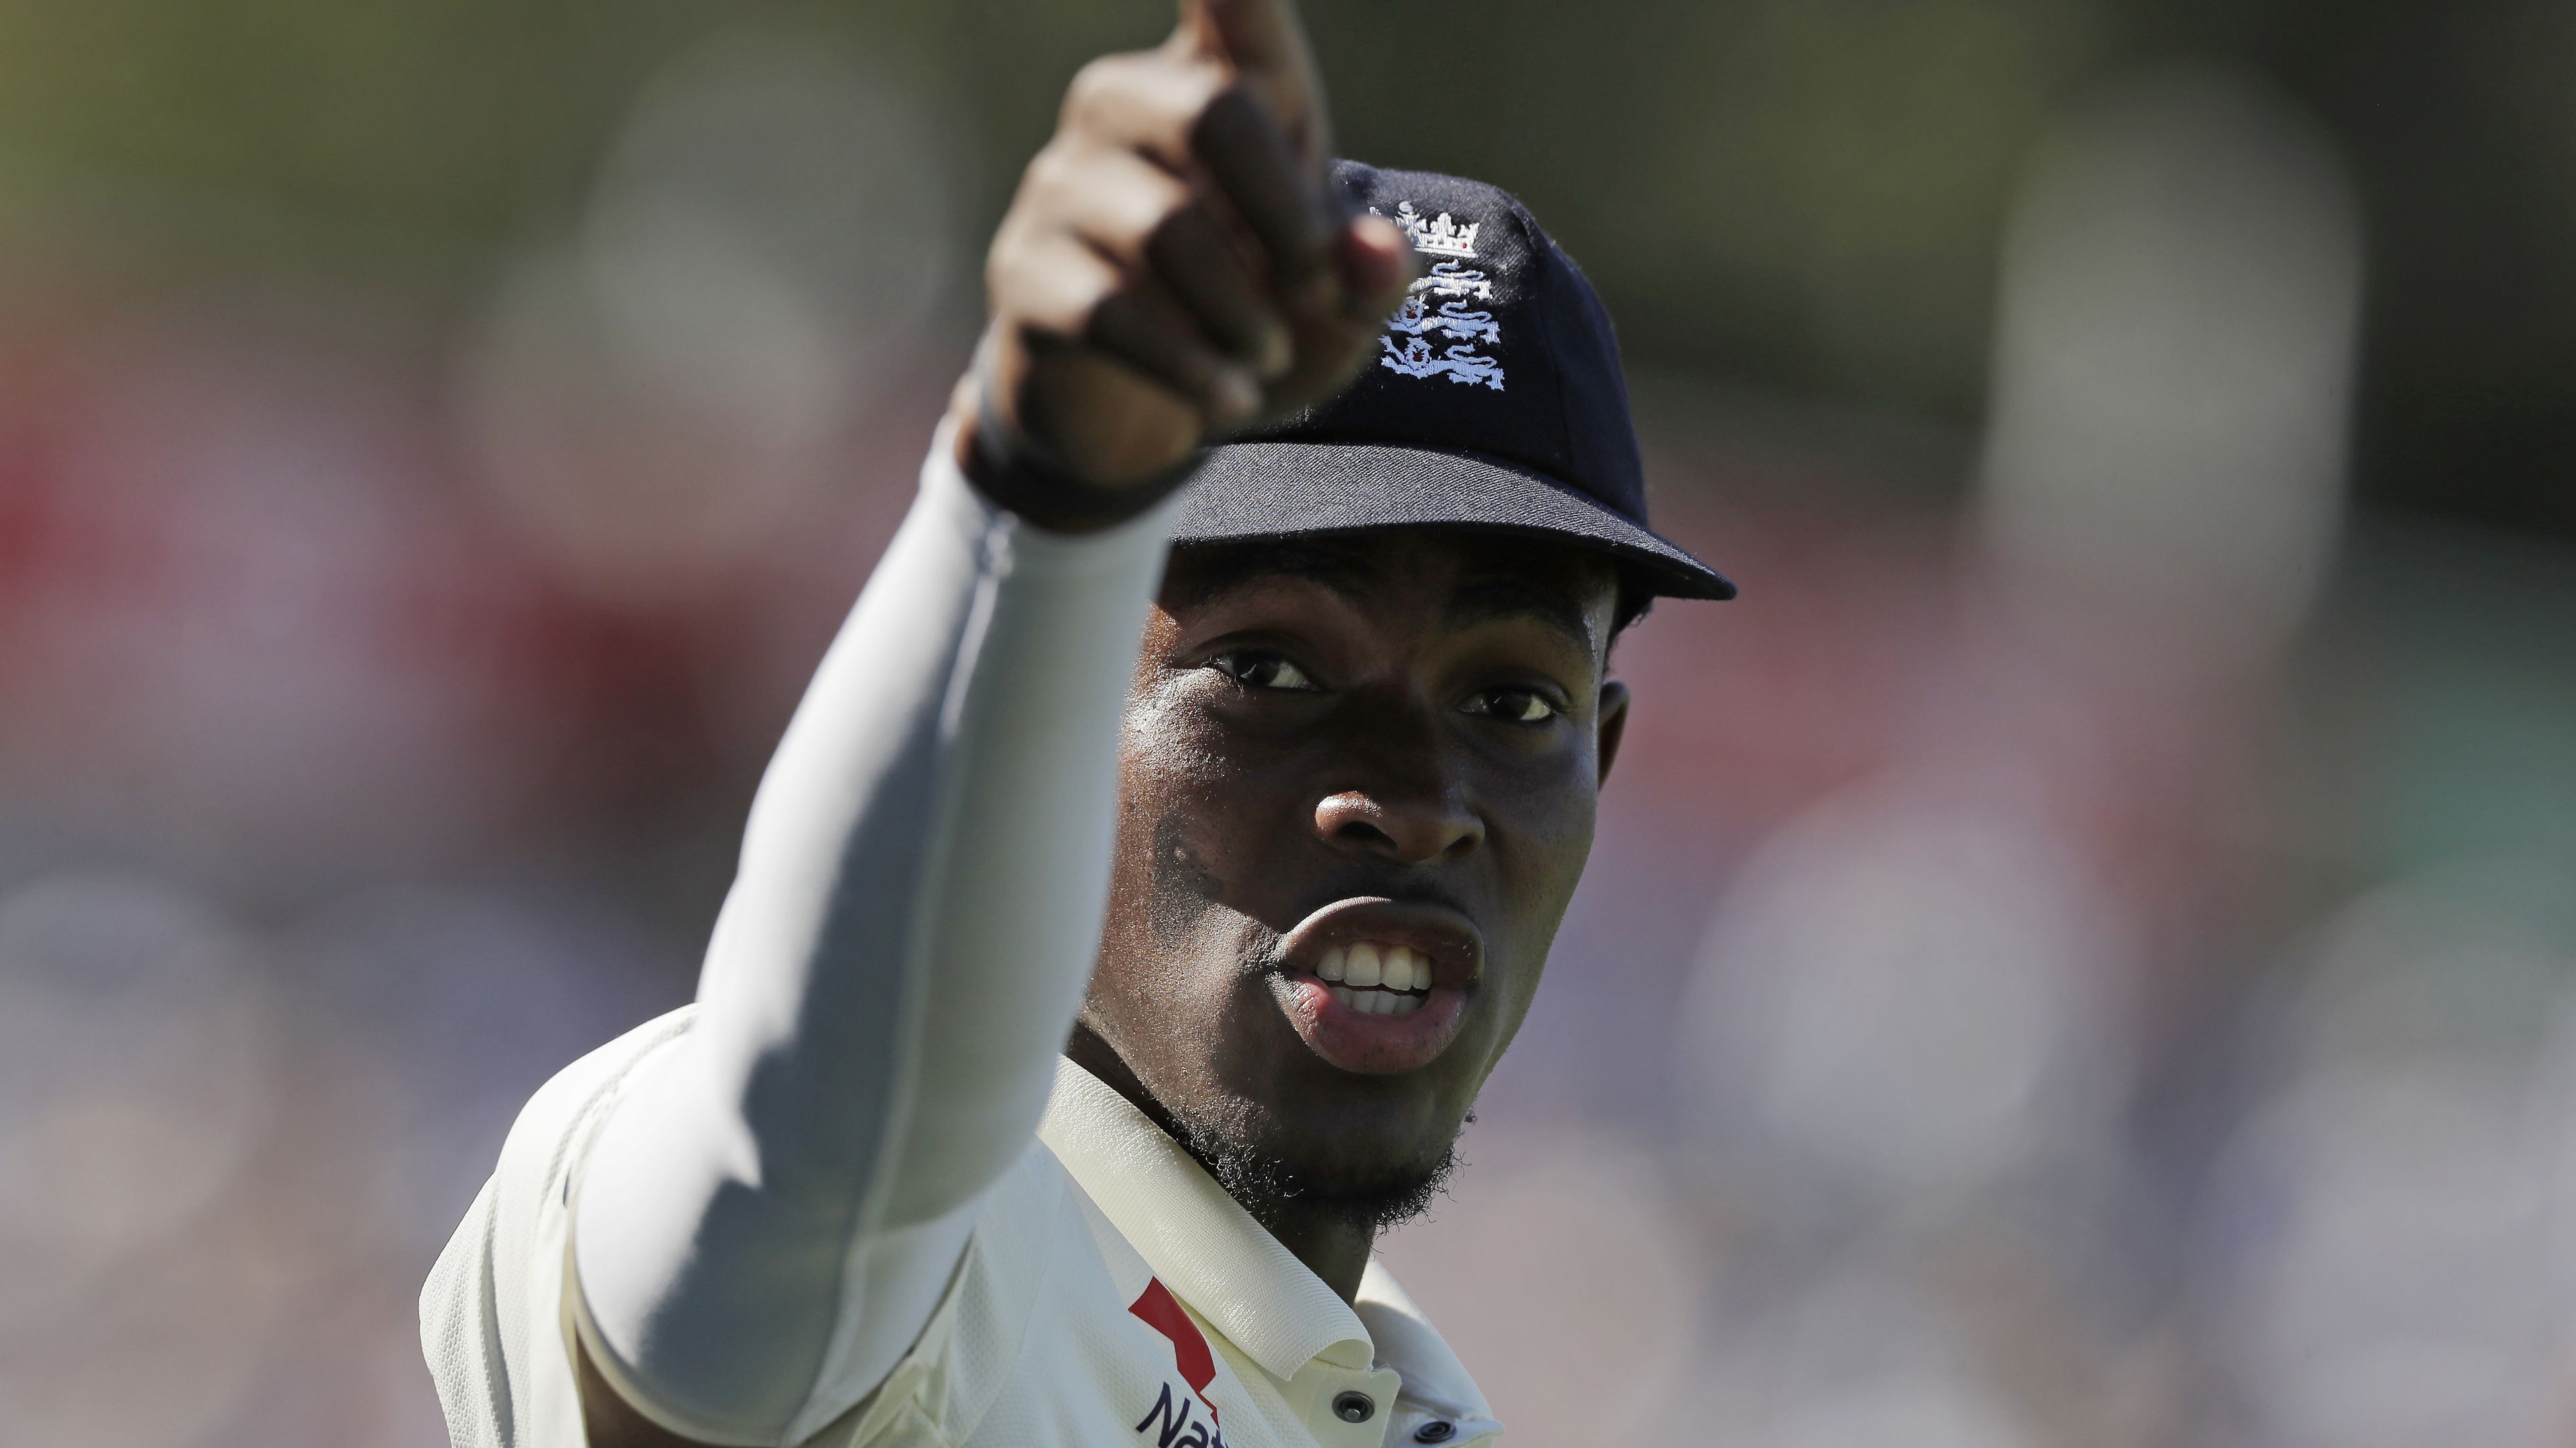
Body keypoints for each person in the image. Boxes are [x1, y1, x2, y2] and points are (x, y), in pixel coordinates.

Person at [420, 1, 1731, 1444]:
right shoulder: (918, 1259)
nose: (1414, 799)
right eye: (1272, 673)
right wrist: (1035, 503)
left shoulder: (1415, 1410)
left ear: (1600, 762)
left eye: (1511, 701)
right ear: (1053, 714)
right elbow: (800, 1178)